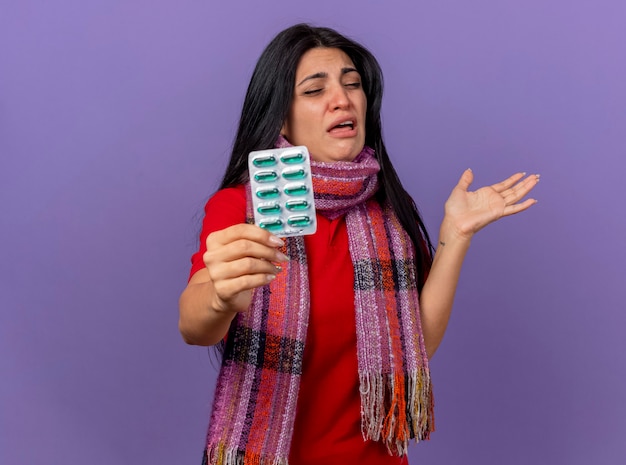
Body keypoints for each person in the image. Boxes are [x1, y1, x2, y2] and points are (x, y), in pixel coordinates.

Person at [179, 23, 539, 465]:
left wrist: (455, 236)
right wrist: (220, 296)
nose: (342, 98)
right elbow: (194, 326)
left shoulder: (388, 209)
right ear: (281, 116)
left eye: (353, 85)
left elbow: (415, 343)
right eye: (315, 90)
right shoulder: (239, 206)